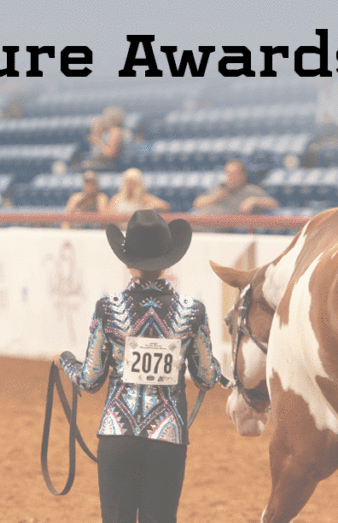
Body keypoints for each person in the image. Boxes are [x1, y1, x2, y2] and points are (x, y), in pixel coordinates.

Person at [54, 210, 221, 523]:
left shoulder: (109, 308)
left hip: (118, 433)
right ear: (167, 261)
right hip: (168, 436)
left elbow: (89, 380)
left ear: (127, 260)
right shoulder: (192, 311)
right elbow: (207, 377)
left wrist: (64, 360)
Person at [191, 159, 278, 215]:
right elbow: (197, 203)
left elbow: (273, 204)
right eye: (228, 174)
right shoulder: (220, 188)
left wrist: (254, 200)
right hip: (205, 225)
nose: (230, 177)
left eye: (234, 174)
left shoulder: (250, 190)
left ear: (243, 176)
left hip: (227, 230)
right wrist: (214, 198)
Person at [81, 106, 128, 171]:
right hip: (103, 162)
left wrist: (98, 142)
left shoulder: (115, 131)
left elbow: (111, 154)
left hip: (111, 165)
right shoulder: (108, 131)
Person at [106, 168, 170, 215]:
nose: (129, 186)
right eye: (127, 183)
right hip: (120, 229)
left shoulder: (144, 198)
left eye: (132, 183)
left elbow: (165, 206)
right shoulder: (117, 198)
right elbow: (108, 215)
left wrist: (149, 207)